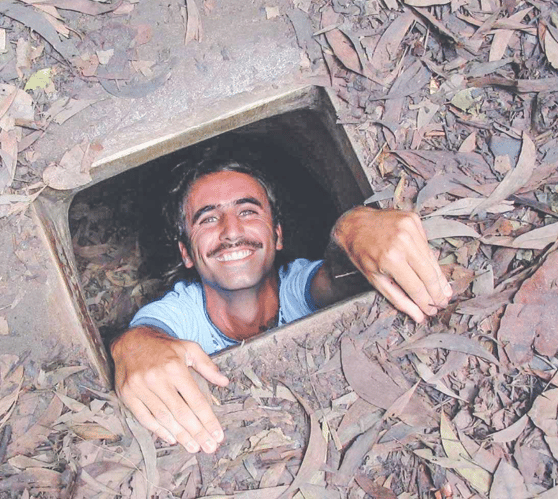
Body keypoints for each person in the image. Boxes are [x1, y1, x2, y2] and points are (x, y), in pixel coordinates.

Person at [110, 157, 452, 455]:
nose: (231, 231)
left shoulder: (298, 285)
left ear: (277, 235)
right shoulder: (181, 311)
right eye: (209, 219)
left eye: (247, 211)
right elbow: (146, 337)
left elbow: (336, 276)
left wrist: (354, 227)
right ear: (186, 253)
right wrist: (131, 347)